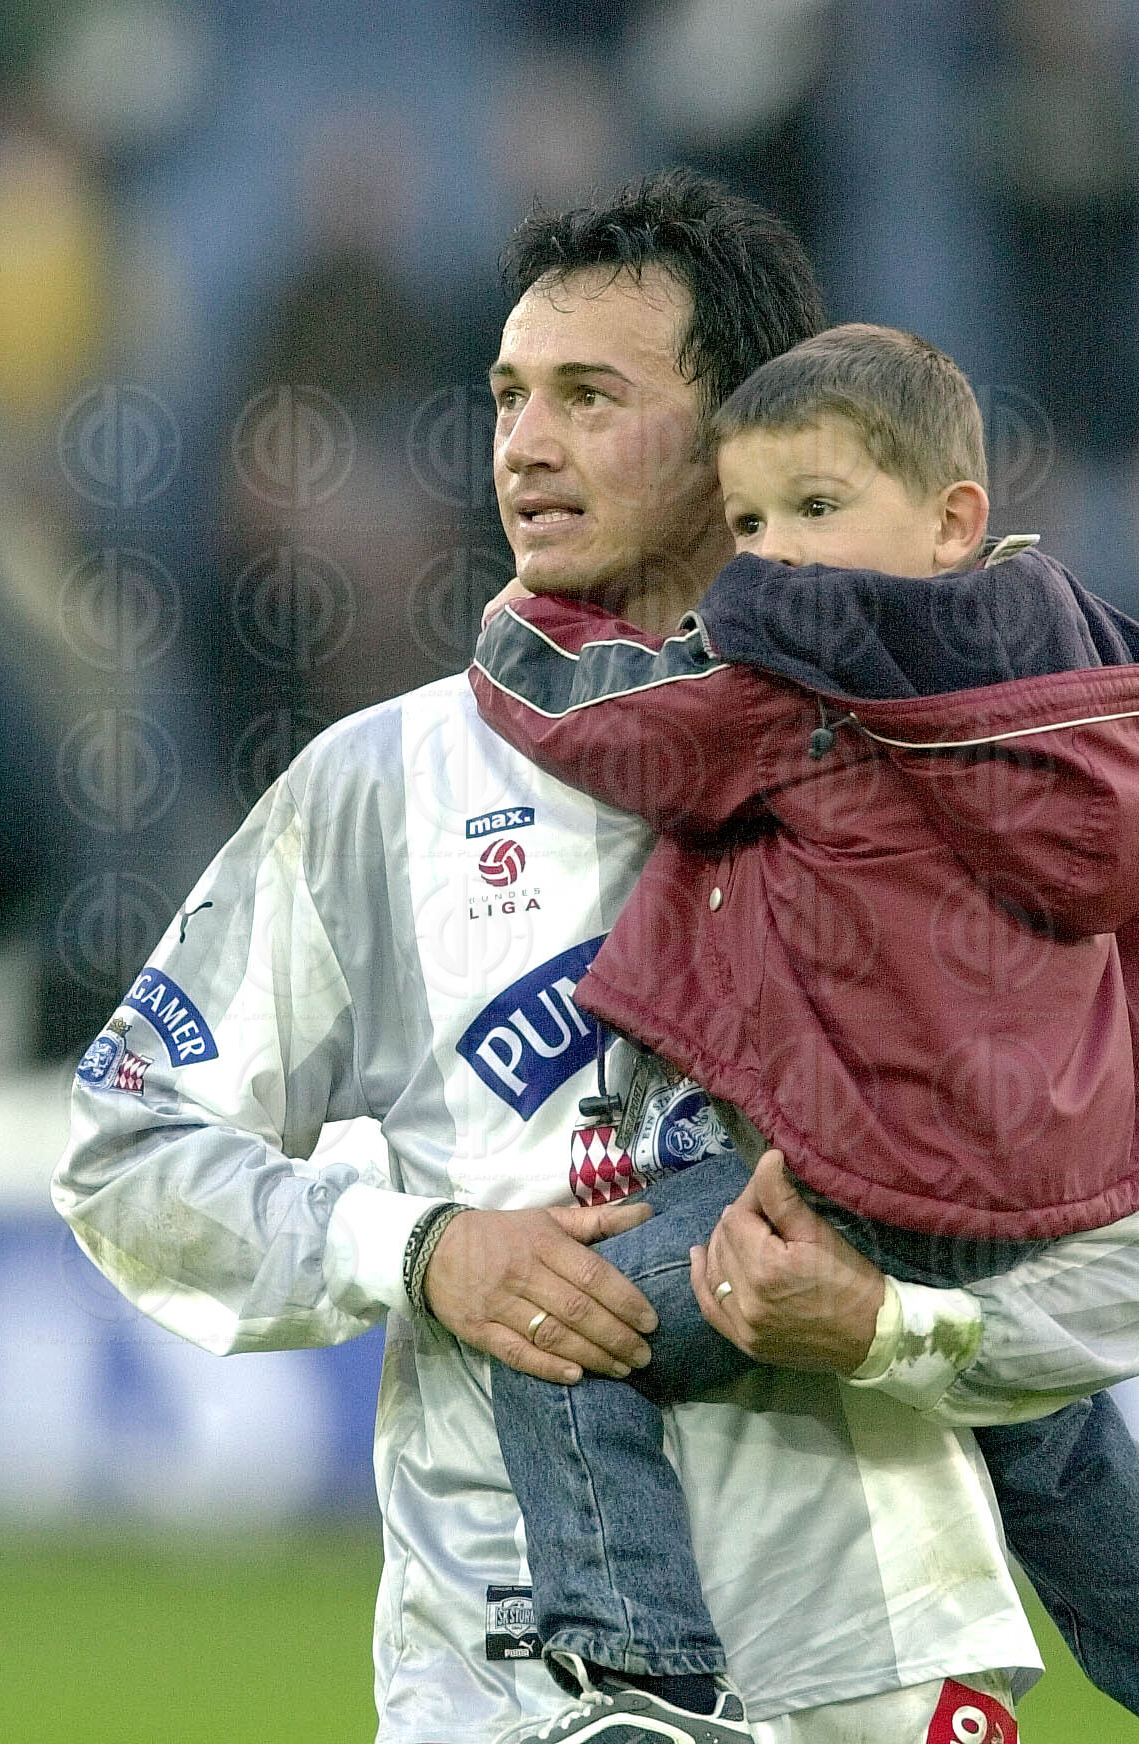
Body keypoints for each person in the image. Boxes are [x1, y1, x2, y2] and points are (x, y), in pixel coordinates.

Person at [51, 171, 1139, 1743]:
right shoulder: (378, 786)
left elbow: (1101, 1235)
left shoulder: (953, 766)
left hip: (879, 1662)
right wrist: (423, 1248)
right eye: (509, 396)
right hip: (504, 1680)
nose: (525, 443)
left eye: (589, 397)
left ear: (735, 435)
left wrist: (890, 1330)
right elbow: (127, 1148)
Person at [471, 321, 1139, 1737]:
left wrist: (520, 618)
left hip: (857, 1183)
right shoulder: (1094, 674)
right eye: (751, 524)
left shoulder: (810, 678)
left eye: (816, 508)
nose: (772, 561)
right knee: (1058, 1454)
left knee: (554, 1327)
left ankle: (643, 1683)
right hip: (1036, 1200)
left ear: (953, 519)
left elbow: (606, 726)